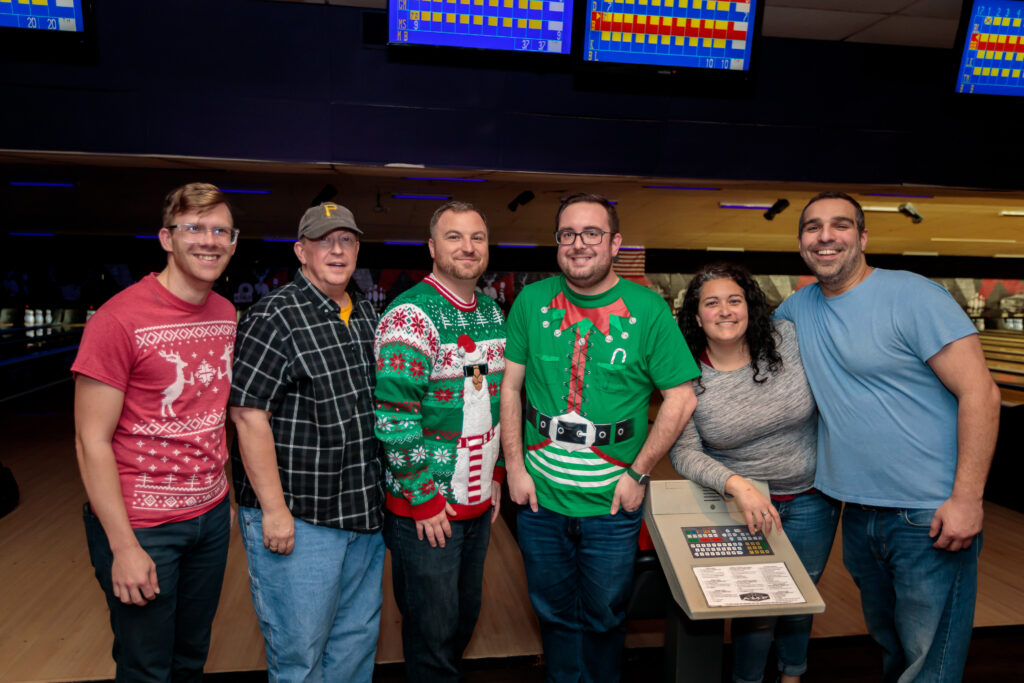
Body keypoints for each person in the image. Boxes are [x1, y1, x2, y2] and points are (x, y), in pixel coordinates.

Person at [775, 191, 1001, 682]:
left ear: (862, 237)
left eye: (840, 225)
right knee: (893, 649)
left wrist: (967, 499)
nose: (826, 236)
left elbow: (981, 393)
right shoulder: (796, 309)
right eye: (813, 227)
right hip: (858, 512)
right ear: (801, 242)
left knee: (929, 663)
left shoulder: (913, 295)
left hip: (928, 512)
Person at [500, 193, 700, 682]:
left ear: (614, 243)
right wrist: (515, 469)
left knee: (606, 617)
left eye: (592, 233)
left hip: (612, 503)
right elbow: (509, 388)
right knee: (553, 614)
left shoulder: (648, 310)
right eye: (568, 234)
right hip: (540, 499)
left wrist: (638, 474)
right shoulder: (531, 300)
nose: (579, 243)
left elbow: (681, 398)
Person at [73, 182, 238, 680]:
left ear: (233, 243)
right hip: (143, 526)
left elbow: (212, 416)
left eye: (221, 231)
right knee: (147, 669)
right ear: (166, 238)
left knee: (190, 659)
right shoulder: (117, 320)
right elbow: (90, 441)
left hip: (210, 517)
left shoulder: (225, 313)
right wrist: (123, 546)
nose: (209, 241)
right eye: (194, 228)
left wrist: (223, 500)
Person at [229, 202, 384, 682]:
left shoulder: (365, 312)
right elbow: (248, 416)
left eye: (347, 240)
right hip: (302, 519)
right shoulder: (274, 315)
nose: (337, 250)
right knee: (301, 658)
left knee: (355, 646)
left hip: (363, 514)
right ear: (301, 251)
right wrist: (274, 511)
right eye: (324, 241)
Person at [670, 262, 840, 683]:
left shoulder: (787, 340)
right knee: (759, 605)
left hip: (812, 497)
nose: (725, 311)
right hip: (742, 505)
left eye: (735, 300)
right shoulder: (684, 372)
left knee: (799, 597)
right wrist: (737, 486)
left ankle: (792, 675)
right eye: (712, 303)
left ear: (750, 307)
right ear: (697, 316)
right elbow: (684, 452)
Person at [374, 201, 506, 682]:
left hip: (476, 502)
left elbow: (494, 404)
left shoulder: (491, 313)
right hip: (427, 511)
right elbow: (395, 419)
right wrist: (424, 497)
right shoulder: (410, 315)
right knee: (432, 640)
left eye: (477, 237)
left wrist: (495, 474)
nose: (467, 247)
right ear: (432, 248)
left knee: (461, 622)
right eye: (454, 237)